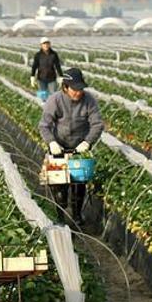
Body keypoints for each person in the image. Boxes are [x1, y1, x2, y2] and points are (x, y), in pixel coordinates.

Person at [39, 67, 105, 223]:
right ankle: (60, 215)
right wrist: (52, 142)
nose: (78, 92)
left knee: (78, 182)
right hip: (59, 146)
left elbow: (97, 124)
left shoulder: (89, 100)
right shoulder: (55, 100)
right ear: (65, 87)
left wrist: (87, 142)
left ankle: (76, 215)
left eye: (81, 89)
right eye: (75, 89)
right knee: (59, 183)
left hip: (79, 147)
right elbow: (44, 125)